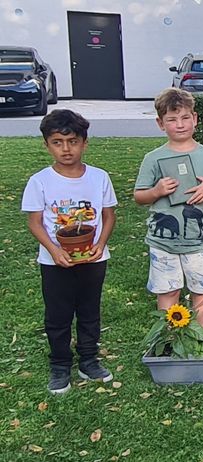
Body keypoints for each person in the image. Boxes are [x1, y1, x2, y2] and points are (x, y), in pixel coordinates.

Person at [22, 109, 117, 393]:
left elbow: (109, 215)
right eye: (57, 142)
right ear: (47, 145)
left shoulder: (99, 177)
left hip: (93, 259)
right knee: (58, 314)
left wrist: (100, 244)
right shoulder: (40, 181)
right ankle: (60, 364)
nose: (66, 149)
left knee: (89, 311)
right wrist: (52, 249)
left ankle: (89, 359)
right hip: (55, 263)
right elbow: (35, 222)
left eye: (72, 141)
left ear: (84, 143)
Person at [134, 88, 203, 328]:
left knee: (202, 289)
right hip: (163, 242)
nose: (180, 124)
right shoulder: (153, 158)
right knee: (167, 291)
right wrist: (156, 191)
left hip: (201, 241)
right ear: (160, 124)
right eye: (172, 119)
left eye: (185, 118)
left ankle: (199, 338)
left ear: (195, 119)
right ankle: (171, 337)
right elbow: (139, 196)